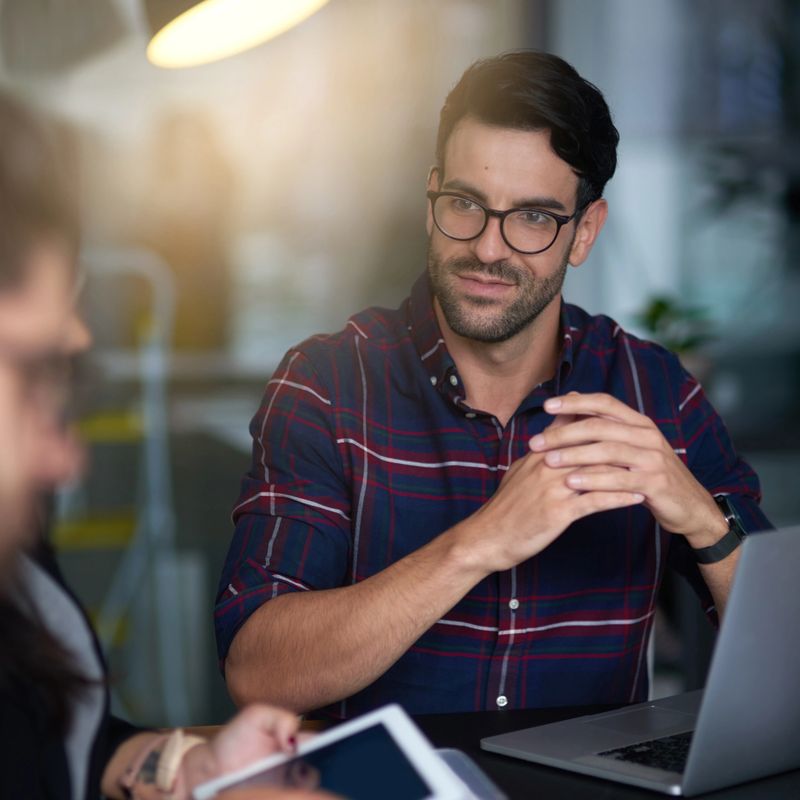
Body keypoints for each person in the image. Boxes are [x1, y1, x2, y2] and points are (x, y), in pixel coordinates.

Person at [215, 51, 771, 721]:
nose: (487, 247)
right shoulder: (328, 385)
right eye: (465, 204)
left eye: (534, 217)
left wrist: (703, 520)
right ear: (432, 202)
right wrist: (478, 544)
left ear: (584, 232)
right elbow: (258, 671)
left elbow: (785, 657)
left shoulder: (652, 392)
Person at [0, 90, 329, 800]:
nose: (64, 460)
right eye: (37, 374)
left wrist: (182, 769)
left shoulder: (18, 559)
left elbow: (59, 750)